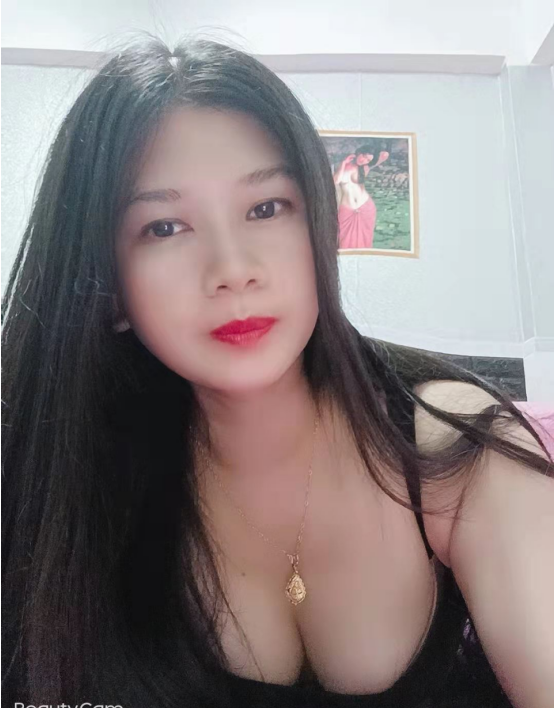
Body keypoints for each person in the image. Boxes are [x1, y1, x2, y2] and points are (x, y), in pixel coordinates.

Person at [2, 31, 553, 708]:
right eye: (164, 227)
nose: (233, 270)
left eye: (266, 209)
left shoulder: (458, 448)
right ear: (108, 287)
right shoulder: (67, 480)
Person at [334, 145, 389, 249]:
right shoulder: (343, 166)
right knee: (343, 240)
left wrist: (373, 157)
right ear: (359, 152)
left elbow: (385, 155)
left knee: (364, 241)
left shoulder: (365, 168)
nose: (364, 161)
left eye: (368, 160)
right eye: (364, 156)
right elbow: (335, 181)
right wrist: (343, 163)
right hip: (347, 208)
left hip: (366, 207)